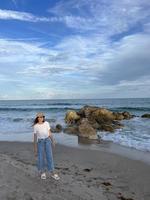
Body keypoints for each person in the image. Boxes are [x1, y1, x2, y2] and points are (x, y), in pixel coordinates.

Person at [33, 112, 60, 180]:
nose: (40, 118)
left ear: (43, 117)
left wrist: (53, 140)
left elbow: (49, 133)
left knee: (49, 157)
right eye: (38, 117)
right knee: (41, 157)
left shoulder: (46, 123)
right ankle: (42, 172)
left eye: (41, 117)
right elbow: (35, 137)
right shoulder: (35, 126)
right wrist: (35, 148)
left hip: (47, 141)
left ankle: (53, 173)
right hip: (40, 142)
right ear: (37, 118)